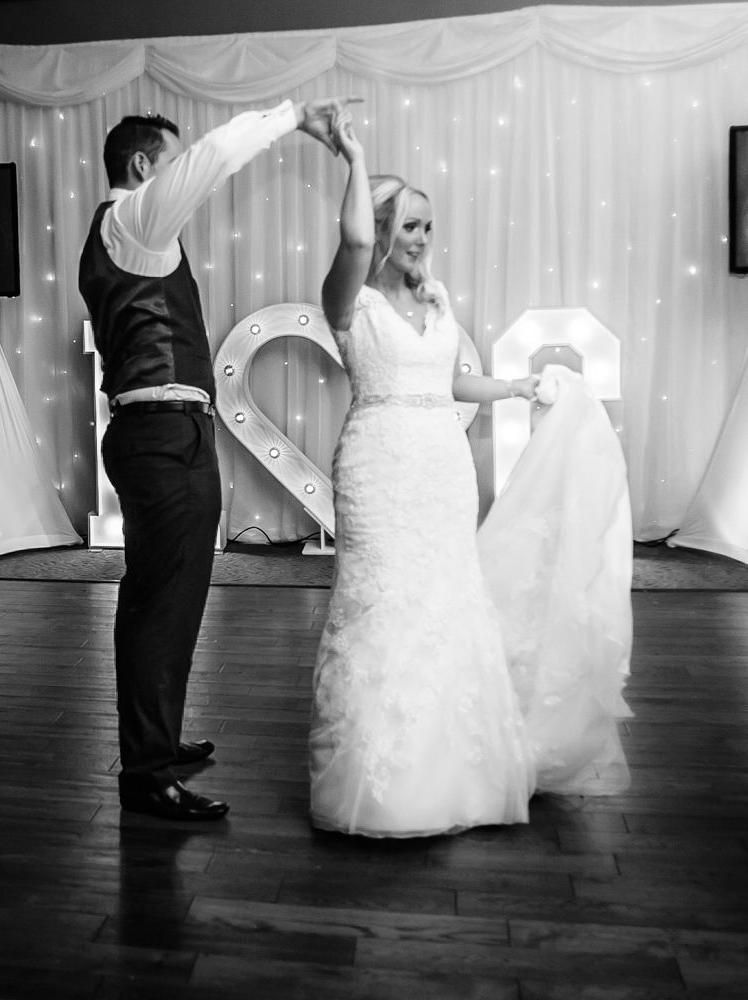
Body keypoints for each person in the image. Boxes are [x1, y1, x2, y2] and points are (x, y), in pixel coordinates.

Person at [308, 113, 631, 838]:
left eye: (428, 225)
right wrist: (354, 156)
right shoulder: (347, 301)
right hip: (378, 459)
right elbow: (353, 241)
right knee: (382, 602)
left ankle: (455, 770)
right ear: (383, 230)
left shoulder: (437, 299)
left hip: (440, 464)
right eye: (411, 226)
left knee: (447, 599)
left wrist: (514, 388)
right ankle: (381, 781)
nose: (423, 238)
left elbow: (453, 381)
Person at [79, 97, 357, 822]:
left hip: (168, 434)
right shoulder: (132, 220)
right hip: (161, 436)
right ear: (142, 166)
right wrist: (295, 116)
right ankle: (146, 772)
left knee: (165, 601)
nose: (178, 173)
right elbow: (212, 160)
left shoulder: (128, 235)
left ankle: (158, 742)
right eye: (166, 161)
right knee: (160, 605)